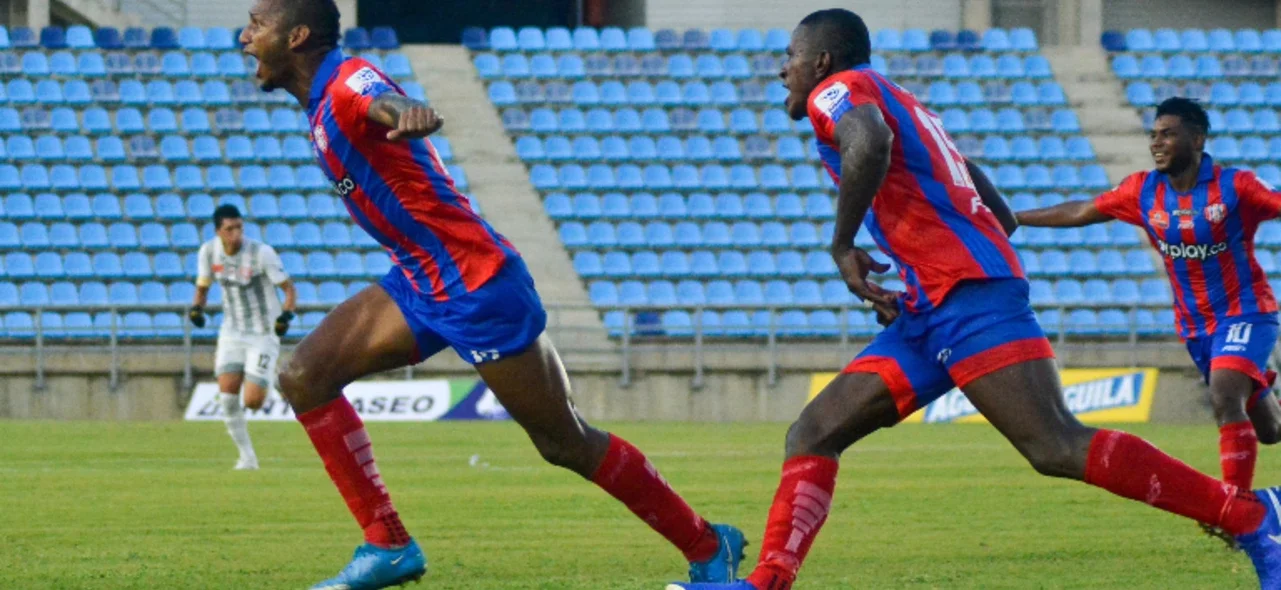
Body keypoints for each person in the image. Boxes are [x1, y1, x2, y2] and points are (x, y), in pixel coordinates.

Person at [667, 10, 1281, 590]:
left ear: (822, 60)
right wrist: (957, 243)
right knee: (813, 432)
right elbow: (970, 172)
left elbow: (870, 142)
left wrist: (843, 244)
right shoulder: (906, 100)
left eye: (790, 56)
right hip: (932, 302)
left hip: (967, 294)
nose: (783, 69)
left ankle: (1250, 518)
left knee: (1055, 446)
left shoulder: (841, 90)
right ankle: (767, 582)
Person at [238, 1, 744, 588]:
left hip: (476, 283)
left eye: (258, 24)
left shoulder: (347, 81)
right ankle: (387, 544)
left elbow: (379, 99)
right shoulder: (320, 104)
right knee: (304, 377)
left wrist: (406, 112)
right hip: (420, 278)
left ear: (297, 36)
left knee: (564, 442)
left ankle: (709, 545)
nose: (245, 36)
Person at [1017, 97, 1281, 501]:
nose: (1157, 143)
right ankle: (1260, 381)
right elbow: (1081, 211)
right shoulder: (1142, 191)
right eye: (1154, 135)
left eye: (1168, 134)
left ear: (1196, 139)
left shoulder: (1236, 186)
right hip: (1195, 325)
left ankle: (1237, 509)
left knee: (1225, 394)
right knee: (1270, 430)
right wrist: (1014, 218)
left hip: (1247, 311)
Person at [190, 204, 297, 471]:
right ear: (218, 231)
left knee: (252, 402)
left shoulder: (262, 253)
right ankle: (247, 457)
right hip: (232, 332)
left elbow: (289, 290)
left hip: (262, 333)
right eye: (229, 229)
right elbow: (202, 287)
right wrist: (197, 309)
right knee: (226, 397)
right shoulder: (208, 251)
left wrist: (285, 317)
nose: (235, 234)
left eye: (239, 228)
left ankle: (273, 377)